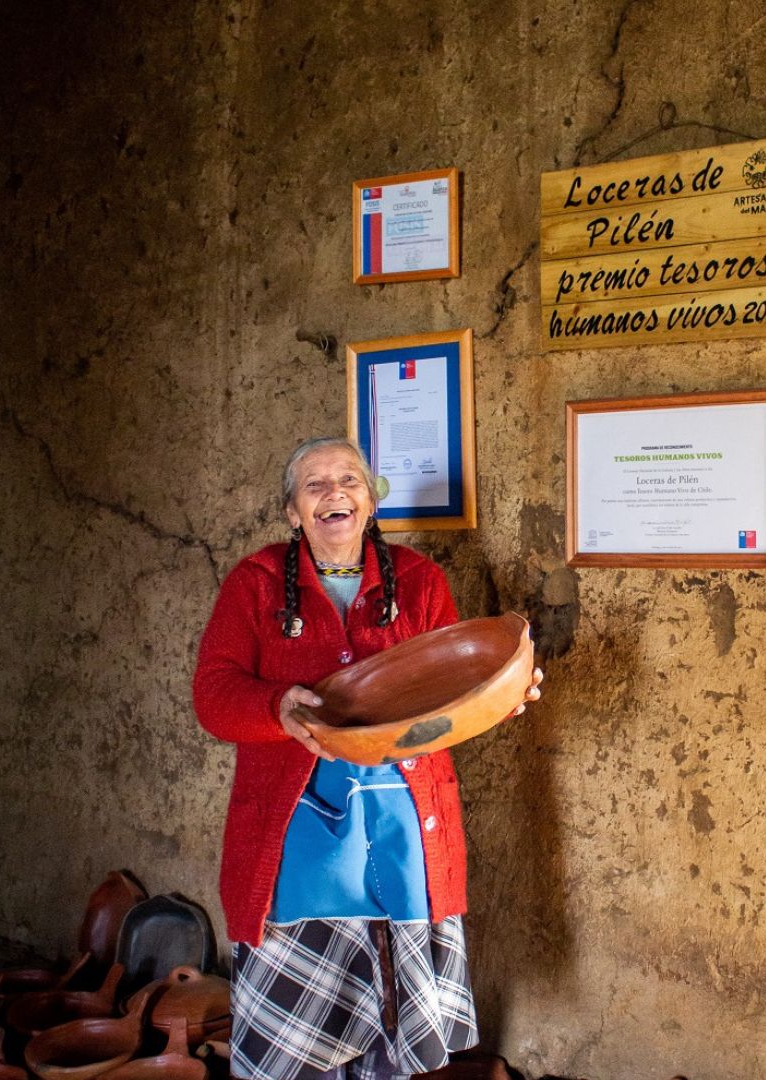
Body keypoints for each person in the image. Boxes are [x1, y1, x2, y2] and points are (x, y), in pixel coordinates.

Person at [193, 436, 541, 1080]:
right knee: (301, 1028)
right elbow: (214, 697)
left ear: (371, 502)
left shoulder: (418, 581)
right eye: (315, 485)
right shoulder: (256, 584)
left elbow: (450, 692)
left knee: (393, 1012)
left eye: (350, 480)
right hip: (299, 836)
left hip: (405, 828)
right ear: (293, 512)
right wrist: (277, 706)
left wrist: (500, 699)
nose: (335, 494)